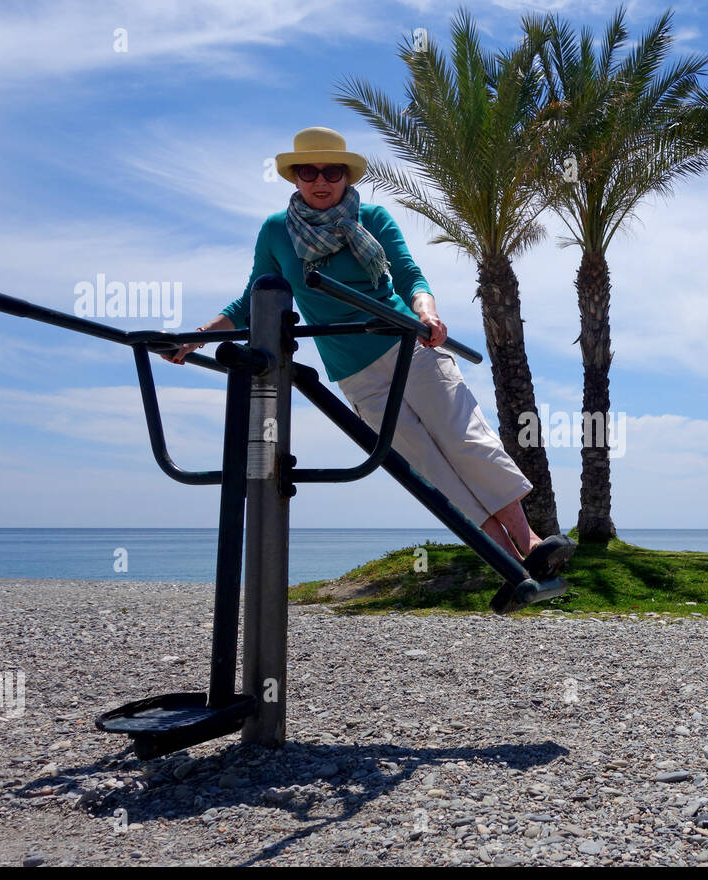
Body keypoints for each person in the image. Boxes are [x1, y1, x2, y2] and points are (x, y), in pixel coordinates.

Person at [163, 127, 574, 580]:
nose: (321, 180)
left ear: (346, 176)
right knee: (430, 468)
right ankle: (509, 564)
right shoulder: (276, 233)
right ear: (295, 178)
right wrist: (195, 336)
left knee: (465, 441)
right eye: (309, 171)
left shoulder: (373, 219)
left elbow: (410, 278)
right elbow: (251, 302)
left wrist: (430, 315)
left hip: (409, 350)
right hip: (356, 375)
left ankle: (530, 541)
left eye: (332, 171)